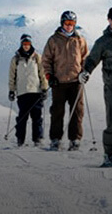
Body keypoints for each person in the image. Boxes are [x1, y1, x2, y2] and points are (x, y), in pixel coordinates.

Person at [79, 6, 112, 167]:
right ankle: (111, 156)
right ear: (108, 20)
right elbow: (92, 59)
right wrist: (86, 71)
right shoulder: (103, 42)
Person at [42, 11, 88, 151]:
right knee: (57, 111)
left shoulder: (79, 40)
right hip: (59, 82)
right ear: (62, 23)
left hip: (76, 81)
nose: (69, 26)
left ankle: (75, 140)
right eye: (67, 23)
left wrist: (84, 73)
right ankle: (55, 140)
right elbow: (46, 60)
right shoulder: (54, 40)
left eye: (72, 24)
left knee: (77, 112)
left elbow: (86, 58)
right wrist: (50, 76)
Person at [8, 34, 48, 147]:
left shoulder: (37, 57)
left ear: (31, 44)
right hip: (22, 92)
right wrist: (11, 90)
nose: (26, 46)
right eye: (24, 44)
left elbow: (42, 73)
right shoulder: (15, 59)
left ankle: (37, 139)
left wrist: (44, 88)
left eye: (28, 44)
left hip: (36, 91)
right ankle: (20, 139)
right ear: (21, 44)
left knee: (37, 117)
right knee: (22, 117)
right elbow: (12, 76)